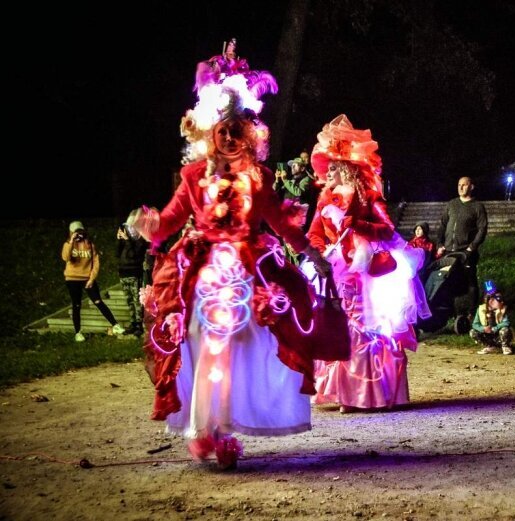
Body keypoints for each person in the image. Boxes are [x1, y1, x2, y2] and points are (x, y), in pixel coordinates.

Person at [128, 42, 332, 470]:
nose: (229, 137)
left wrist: (310, 251)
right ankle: (207, 430)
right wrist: (150, 224)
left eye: (237, 128)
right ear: (208, 135)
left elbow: (282, 222)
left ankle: (222, 427)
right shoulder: (192, 177)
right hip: (201, 274)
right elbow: (168, 221)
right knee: (205, 345)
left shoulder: (259, 180)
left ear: (249, 133)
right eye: (222, 130)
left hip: (249, 272)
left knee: (244, 347)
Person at [306, 114, 431, 413]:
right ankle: (345, 393)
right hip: (337, 272)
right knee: (340, 326)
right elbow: (313, 233)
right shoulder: (324, 201)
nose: (330, 172)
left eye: (336, 166)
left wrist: (355, 223)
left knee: (368, 328)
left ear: (349, 169)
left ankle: (373, 392)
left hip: (368, 273)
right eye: (329, 167)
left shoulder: (369, 197)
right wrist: (322, 251)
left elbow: (386, 229)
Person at [436, 176, 488, 331]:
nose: (461, 187)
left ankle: (472, 314)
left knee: (470, 282)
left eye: (464, 185)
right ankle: (452, 314)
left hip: (466, 252)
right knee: (449, 283)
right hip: (449, 251)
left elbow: (482, 228)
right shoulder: (451, 204)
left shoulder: (477, 206)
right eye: (459, 185)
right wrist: (439, 244)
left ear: (471, 186)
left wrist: (472, 247)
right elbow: (442, 225)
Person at [62, 221, 125, 342]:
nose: (78, 234)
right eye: (75, 232)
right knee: (76, 305)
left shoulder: (89, 244)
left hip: (87, 279)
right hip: (72, 279)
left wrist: (91, 279)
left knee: (98, 301)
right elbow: (65, 257)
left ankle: (115, 325)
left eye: (80, 231)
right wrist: (71, 241)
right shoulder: (68, 244)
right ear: (71, 232)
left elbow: (95, 262)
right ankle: (78, 332)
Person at [116, 214, 149, 336]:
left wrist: (127, 240)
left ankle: (139, 325)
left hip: (134, 273)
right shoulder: (125, 241)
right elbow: (117, 253)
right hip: (123, 273)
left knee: (136, 301)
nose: (127, 230)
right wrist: (119, 240)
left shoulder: (139, 240)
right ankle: (132, 323)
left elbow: (134, 255)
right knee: (129, 300)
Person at [471, 284, 513, 355]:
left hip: (498, 334)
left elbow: (506, 322)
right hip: (487, 333)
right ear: (491, 300)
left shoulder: (503, 309)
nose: (502, 302)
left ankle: (505, 346)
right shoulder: (481, 309)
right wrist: (483, 329)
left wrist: (495, 328)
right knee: (473, 332)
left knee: (505, 330)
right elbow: (475, 324)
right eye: (499, 299)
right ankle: (490, 346)